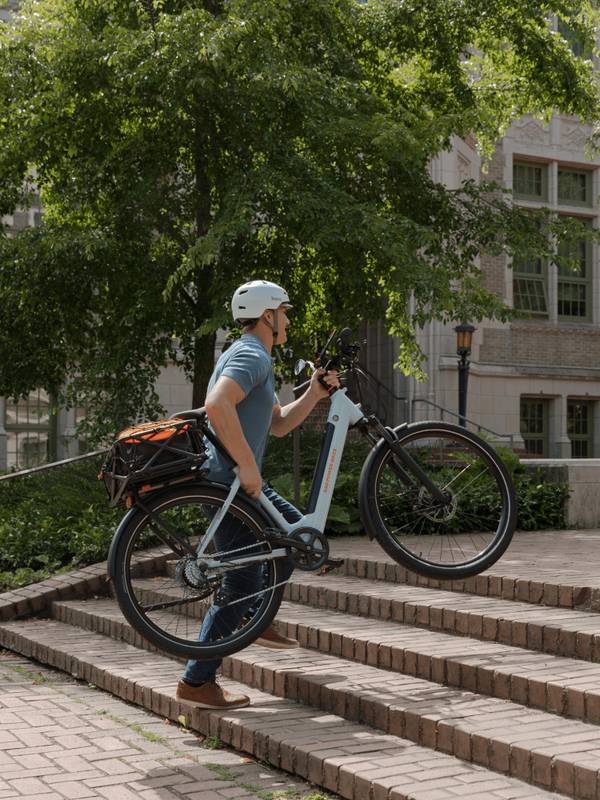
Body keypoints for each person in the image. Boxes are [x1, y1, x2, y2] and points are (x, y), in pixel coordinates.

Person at [175, 280, 340, 709]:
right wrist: (247, 465)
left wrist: (315, 392)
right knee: (242, 580)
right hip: (231, 485)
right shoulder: (251, 354)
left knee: (296, 536)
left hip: (237, 485)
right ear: (268, 316)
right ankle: (198, 680)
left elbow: (280, 422)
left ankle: (257, 612)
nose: (287, 319)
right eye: (284, 312)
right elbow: (217, 404)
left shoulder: (251, 356)